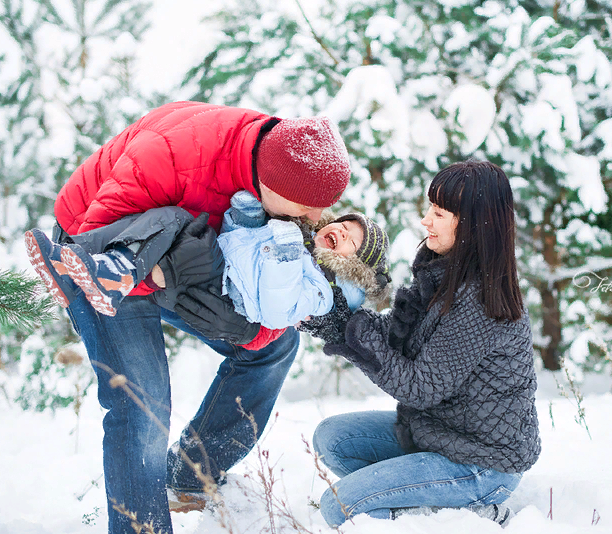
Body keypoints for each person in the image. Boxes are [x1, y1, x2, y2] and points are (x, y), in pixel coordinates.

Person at [26, 101, 352, 534]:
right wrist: (168, 279)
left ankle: (190, 475)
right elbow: (98, 253)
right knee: (142, 400)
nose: (317, 217)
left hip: (184, 250)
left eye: (325, 205)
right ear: (267, 183)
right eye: (308, 205)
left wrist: (251, 332)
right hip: (98, 247)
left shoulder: (285, 169)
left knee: (274, 344)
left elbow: (273, 290)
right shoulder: (175, 155)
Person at [298, 160, 541, 527]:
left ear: (473, 225)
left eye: (439, 213)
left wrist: (350, 332)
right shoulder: (444, 270)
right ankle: (415, 491)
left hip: (480, 464)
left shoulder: (481, 302)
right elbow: (398, 335)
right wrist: (337, 323)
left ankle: (468, 513)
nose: (425, 220)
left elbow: (419, 387)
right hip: (436, 434)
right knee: (332, 439)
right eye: (430, 208)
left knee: (339, 507)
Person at [26, 190, 392, 334]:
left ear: (353, 267)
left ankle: (112, 275)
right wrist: (244, 218)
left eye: (353, 242)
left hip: (225, 292)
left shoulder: (320, 290)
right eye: (344, 225)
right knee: (171, 218)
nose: (342, 232)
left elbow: (278, 310)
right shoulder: (296, 237)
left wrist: (285, 252)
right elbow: (244, 245)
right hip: (223, 267)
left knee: (184, 238)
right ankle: (76, 254)